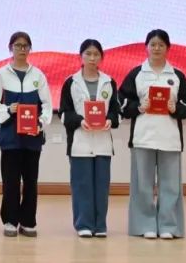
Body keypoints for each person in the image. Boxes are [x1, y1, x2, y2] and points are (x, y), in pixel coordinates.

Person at [119, 28, 186, 240]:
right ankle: (145, 225)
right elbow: (121, 103)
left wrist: (175, 108)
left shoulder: (177, 76)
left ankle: (169, 226)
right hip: (143, 138)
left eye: (161, 45)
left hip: (170, 139)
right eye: (153, 44)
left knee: (170, 186)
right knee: (142, 185)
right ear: (146, 47)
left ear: (168, 48)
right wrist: (138, 107)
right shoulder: (137, 74)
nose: (157, 48)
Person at [0, 31, 53, 237]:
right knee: (11, 181)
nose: (22, 49)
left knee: (31, 181)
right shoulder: (1, 74)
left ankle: (28, 222)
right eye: (17, 45)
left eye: (25, 45)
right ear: (11, 48)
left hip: (32, 137)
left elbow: (47, 105)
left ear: (30, 49)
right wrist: (9, 109)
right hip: (10, 138)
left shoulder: (38, 75)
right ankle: (10, 220)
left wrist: (40, 124)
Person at [59, 39, 120, 238]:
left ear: (102, 57)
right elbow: (64, 113)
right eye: (88, 54)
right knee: (82, 185)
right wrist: (79, 121)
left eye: (96, 54)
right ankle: (83, 224)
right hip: (80, 142)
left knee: (101, 186)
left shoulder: (109, 82)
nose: (92, 58)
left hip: (103, 142)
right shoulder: (71, 82)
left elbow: (116, 111)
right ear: (81, 56)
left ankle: (100, 225)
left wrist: (110, 120)